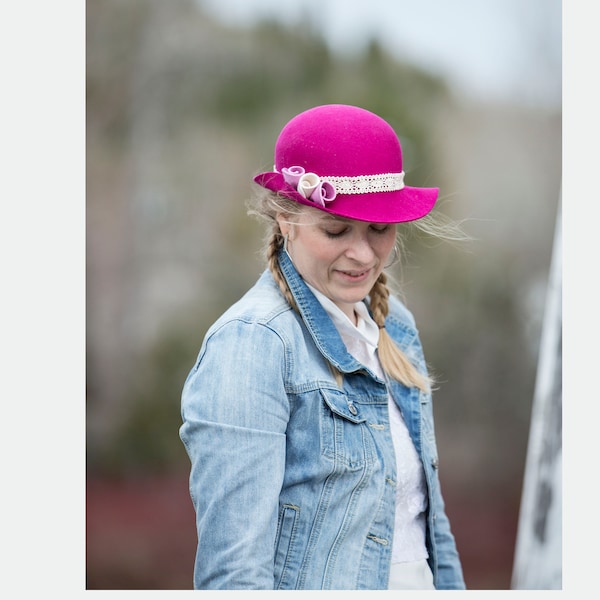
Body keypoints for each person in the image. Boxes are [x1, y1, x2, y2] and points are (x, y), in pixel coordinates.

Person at [179, 104, 466, 590]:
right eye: (336, 231)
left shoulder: (395, 326)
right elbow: (234, 573)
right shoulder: (252, 345)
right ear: (286, 220)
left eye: (380, 229)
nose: (362, 254)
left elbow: (427, 526)